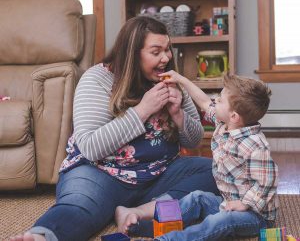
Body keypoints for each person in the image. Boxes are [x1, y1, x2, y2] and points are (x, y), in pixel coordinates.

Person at [9, 16, 220, 241]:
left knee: (216, 171)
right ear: (131, 52)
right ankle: (43, 236)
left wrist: (178, 115)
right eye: (156, 52)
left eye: (167, 50)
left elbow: (193, 141)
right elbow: (90, 147)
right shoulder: (97, 79)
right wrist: (142, 110)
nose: (166, 58)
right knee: (79, 204)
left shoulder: (171, 81)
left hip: (158, 175)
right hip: (100, 173)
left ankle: (137, 212)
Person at [116, 73, 279, 240]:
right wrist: (181, 80)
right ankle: (155, 227)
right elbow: (203, 101)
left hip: (254, 216)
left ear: (234, 116)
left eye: (220, 100)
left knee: (220, 221)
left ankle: (170, 239)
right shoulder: (226, 124)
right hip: (227, 204)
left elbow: (267, 182)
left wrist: (245, 203)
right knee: (197, 197)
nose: (215, 101)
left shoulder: (255, 145)